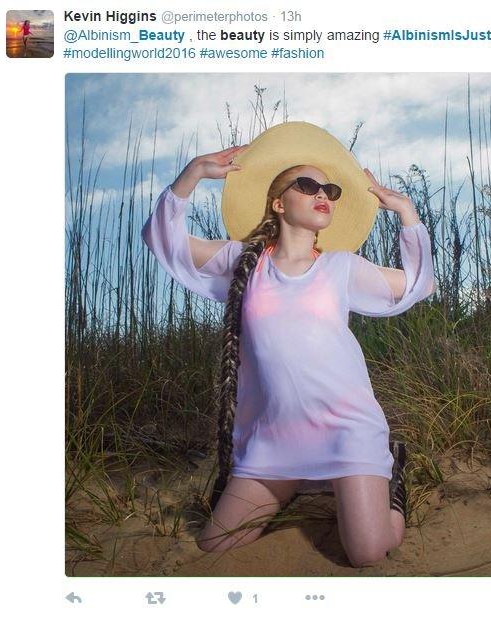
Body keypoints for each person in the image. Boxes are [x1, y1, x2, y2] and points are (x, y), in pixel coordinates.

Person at [141, 122, 436, 567]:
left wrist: (406, 211)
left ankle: (390, 483)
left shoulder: (340, 267)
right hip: (273, 437)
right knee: (214, 544)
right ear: (279, 203)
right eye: (308, 184)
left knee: (367, 552)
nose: (323, 194)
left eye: (330, 189)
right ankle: (297, 486)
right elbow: (164, 241)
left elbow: (418, 284)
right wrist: (194, 173)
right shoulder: (243, 261)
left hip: (346, 431)